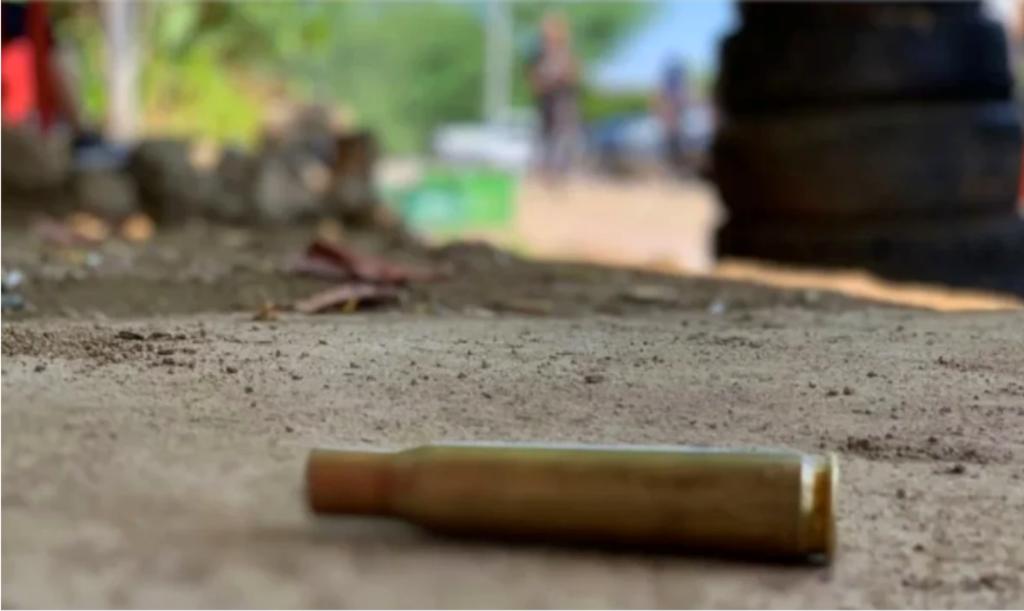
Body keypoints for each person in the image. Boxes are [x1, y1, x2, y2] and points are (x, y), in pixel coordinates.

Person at [527, 12, 580, 183]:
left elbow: (572, 76)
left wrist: (558, 79)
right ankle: (544, 172)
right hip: (545, 102)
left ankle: (560, 173)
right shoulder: (539, 55)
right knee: (543, 136)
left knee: (563, 136)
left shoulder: (566, 54)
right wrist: (542, 83)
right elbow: (534, 79)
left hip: (562, 101)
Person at [653, 58, 689, 176]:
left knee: (677, 148)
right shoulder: (670, 89)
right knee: (670, 149)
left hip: (676, 126)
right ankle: (672, 170)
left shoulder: (677, 88)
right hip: (671, 127)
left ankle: (676, 169)